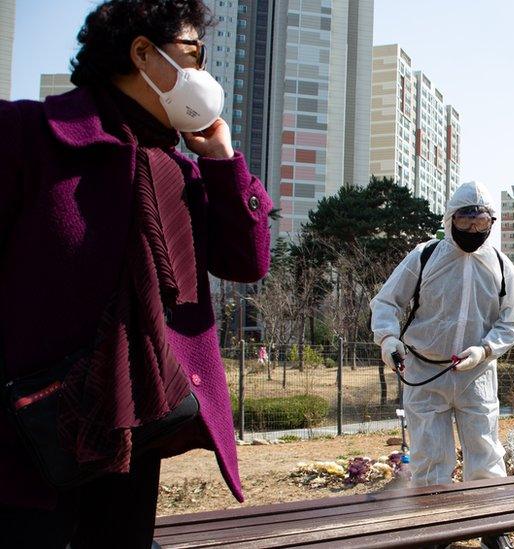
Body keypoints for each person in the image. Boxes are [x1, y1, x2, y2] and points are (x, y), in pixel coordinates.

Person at [0, 1, 272, 546]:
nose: (202, 74)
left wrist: (223, 161)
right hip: (24, 439)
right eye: (194, 53)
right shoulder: (26, 133)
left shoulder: (179, 170)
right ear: (143, 53)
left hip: (136, 431)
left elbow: (246, 262)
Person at [370, 181, 514, 549]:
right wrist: (389, 339)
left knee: (485, 451)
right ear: (450, 218)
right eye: (465, 221)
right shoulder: (425, 256)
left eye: (481, 223)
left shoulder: (502, 266)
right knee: (428, 456)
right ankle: (433, 529)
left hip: (476, 374)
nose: (473, 231)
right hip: (424, 372)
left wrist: (485, 350)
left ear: (492, 222)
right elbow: (387, 302)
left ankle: (492, 528)